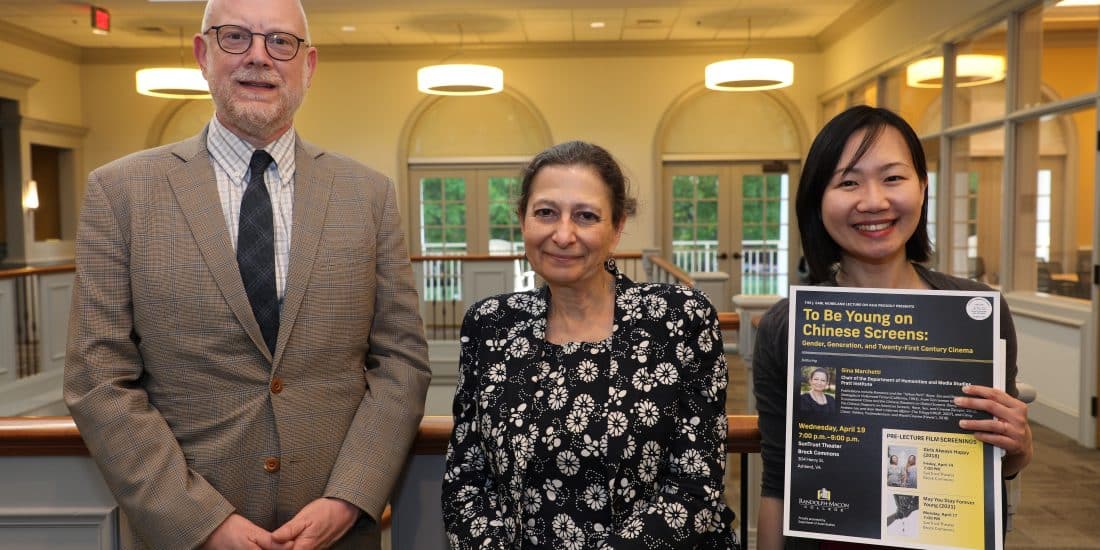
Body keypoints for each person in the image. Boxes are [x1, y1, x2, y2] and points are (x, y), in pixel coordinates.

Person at [63, 0, 431, 548]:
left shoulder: (369, 195)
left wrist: (350, 496)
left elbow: (400, 360)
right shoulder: (121, 193)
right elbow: (98, 378)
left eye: (281, 42)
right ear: (201, 53)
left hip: (334, 534)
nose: (259, 57)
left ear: (307, 66)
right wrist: (199, 521)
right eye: (235, 37)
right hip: (185, 536)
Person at [752, 106, 1033, 549]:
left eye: (893, 178)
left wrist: (1017, 446)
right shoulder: (785, 326)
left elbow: (994, 466)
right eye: (848, 182)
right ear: (817, 200)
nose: (873, 201)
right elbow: (779, 479)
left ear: (923, 187)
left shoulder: (976, 313)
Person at [441, 141, 739, 549]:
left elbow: (695, 484)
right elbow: (467, 477)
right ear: (522, 221)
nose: (563, 235)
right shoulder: (490, 325)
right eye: (545, 212)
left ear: (616, 228)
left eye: (585, 216)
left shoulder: (679, 319)